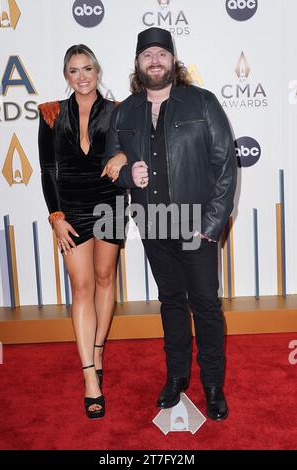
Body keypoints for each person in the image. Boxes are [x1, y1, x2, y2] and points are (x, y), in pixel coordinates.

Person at [104, 28, 237, 421]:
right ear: (138, 64)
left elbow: (225, 167)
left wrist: (211, 225)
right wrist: (130, 176)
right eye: (148, 55)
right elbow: (112, 164)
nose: (155, 60)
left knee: (207, 306)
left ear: (172, 61)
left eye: (162, 53)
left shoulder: (203, 102)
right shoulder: (124, 111)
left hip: (197, 228)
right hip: (153, 226)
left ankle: (213, 384)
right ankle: (177, 376)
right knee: (171, 304)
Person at [38, 44, 127, 420]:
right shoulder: (51, 113)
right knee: (82, 286)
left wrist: (123, 156)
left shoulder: (118, 111)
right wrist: (55, 216)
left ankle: (98, 349)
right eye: (74, 70)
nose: (82, 76)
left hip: (110, 203)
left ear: (97, 70)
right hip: (71, 208)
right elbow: (47, 169)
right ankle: (90, 377)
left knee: (106, 278)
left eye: (87, 68)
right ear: (66, 76)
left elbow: (135, 148)